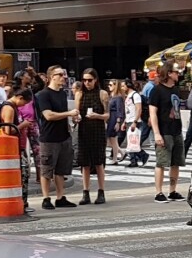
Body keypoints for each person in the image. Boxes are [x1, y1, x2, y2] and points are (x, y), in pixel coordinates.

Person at [33, 65, 80, 209]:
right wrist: (69, 114)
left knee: (62, 169)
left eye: (63, 74)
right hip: (49, 137)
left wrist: (73, 119)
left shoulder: (62, 94)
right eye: (60, 74)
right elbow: (48, 115)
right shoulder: (43, 95)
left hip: (63, 136)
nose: (63, 77)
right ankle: (46, 198)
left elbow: (62, 113)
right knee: (47, 169)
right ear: (52, 76)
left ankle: (60, 197)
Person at [0, 88, 35, 212]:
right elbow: (8, 130)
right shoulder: (9, 108)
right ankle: (21, 203)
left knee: (23, 173)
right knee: (23, 174)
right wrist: (23, 125)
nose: (23, 106)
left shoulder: (10, 106)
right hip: (12, 148)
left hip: (16, 147)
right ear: (19, 97)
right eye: (24, 103)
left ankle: (23, 203)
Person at [149, 63, 185, 202]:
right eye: (176, 72)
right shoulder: (157, 90)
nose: (178, 74)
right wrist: (157, 133)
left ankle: (172, 190)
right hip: (164, 131)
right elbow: (153, 113)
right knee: (162, 162)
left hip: (176, 129)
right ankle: (158, 192)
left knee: (176, 162)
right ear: (169, 73)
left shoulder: (176, 89)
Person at [75, 68, 110, 205]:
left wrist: (98, 116)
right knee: (85, 163)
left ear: (95, 80)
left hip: (97, 129)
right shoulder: (80, 94)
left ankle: (101, 191)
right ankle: (86, 192)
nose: (87, 83)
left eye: (90, 80)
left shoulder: (102, 94)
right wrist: (76, 118)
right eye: (84, 80)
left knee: (98, 161)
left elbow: (107, 115)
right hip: (84, 129)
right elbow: (77, 112)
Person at [123, 81, 145, 167]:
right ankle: (135, 159)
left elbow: (139, 109)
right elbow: (128, 110)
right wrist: (124, 121)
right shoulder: (128, 96)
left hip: (134, 121)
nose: (122, 88)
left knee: (133, 141)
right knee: (131, 142)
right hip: (129, 120)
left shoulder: (135, 96)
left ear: (128, 86)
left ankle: (136, 159)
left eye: (123, 86)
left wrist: (135, 121)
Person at [106, 80, 126, 164]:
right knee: (111, 139)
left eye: (110, 85)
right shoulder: (112, 96)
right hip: (110, 118)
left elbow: (119, 110)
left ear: (115, 85)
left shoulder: (118, 97)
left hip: (114, 118)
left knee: (113, 139)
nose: (108, 86)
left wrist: (118, 122)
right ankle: (121, 152)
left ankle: (115, 159)